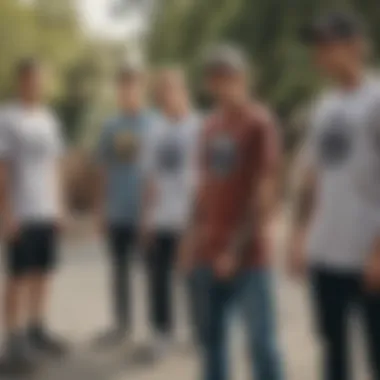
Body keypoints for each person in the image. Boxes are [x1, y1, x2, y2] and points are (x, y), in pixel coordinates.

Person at [179, 45, 284, 380]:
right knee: (211, 344)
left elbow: (264, 192)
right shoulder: (209, 126)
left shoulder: (259, 122)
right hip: (206, 254)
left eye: (229, 76)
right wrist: (189, 240)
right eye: (215, 78)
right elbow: (204, 188)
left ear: (244, 77)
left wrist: (234, 250)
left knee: (261, 345)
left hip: (248, 256)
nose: (222, 84)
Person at [288, 11, 380, 380]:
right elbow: (312, 175)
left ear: (356, 46)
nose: (319, 54)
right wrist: (298, 234)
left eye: (328, 44)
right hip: (326, 254)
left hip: (368, 257)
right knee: (333, 353)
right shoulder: (323, 106)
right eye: (317, 46)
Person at [0, 59, 67, 374]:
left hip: (46, 210)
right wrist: (7, 213)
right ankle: (13, 342)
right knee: (18, 276)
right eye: (31, 80)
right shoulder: (7, 117)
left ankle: (36, 330)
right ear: (21, 82)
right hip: (22, 212)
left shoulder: (49, 119)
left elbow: (55, 165)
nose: (37, 85)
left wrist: (60, 206)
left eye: (41, 80)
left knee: (43, 272)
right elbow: (3, 169)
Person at [141, 67, 203, 358]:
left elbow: (207, 177)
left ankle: (199, 331)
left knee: (194, 278)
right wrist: (146, 217)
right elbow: (150, 177)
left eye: (173, 90)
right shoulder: (154, 130)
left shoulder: (200, 126)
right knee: (158, 279)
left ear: (184, 91)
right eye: (163, 92)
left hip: (190, 218)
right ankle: (162, 333)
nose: (168, 97)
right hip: (161, 217)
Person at [93, 63, 151, 347]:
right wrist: (101, 209)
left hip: (148, 213)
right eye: (123, 87)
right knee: (119, 271)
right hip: (117, 210)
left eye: (133, 86)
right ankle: (121, 325)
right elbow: (102, 169)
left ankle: (157, 329)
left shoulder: (155, 122)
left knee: (155, 272)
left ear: (142, 88)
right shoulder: (110, 126)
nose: (128, 92)